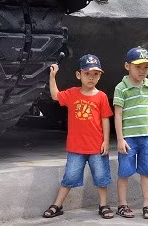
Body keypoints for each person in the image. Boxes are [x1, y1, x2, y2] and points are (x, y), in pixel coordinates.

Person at [42, 54, 115, 219]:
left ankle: (103, 205)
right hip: (76, 147)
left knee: (101, 176)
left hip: (96, 146)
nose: (91, 78)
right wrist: (53, 77)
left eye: (95, 74)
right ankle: (57, 205)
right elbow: (55, 96)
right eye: (87, 74)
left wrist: (105, 141)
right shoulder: (72, 94)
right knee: (70, 176)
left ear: (100, 76)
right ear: (79, 75)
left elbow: (105, 119)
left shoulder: (101, 96)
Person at [113, 46, 148, 219]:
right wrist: (120, 138)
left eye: (145, 67)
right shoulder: (121, 88)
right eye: (137, 67)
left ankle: (147, 205)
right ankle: (122, 204)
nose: (142, 71)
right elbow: (118, 114)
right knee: (124, 172)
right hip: (129, 138)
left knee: (147, 171)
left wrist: (146, 125)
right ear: (127, 66)